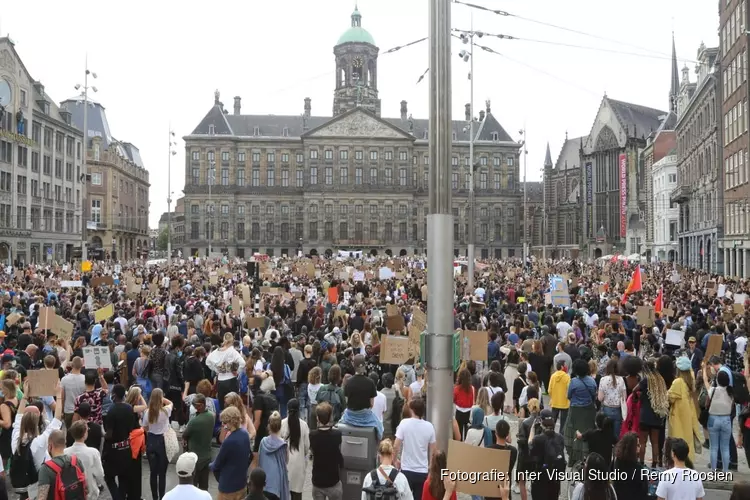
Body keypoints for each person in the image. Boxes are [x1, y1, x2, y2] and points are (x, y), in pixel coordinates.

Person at [394, 398, 436, 500]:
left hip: (407, 469)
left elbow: (396, 445)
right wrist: (430, 467)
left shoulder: (404, 423)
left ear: (412, 409)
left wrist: (395, 460)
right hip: (422, 470)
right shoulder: (429, 426)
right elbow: (433, 451)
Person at [211, 406, 252, 500]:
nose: (224, 425)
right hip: (242, 484)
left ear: (230, 422)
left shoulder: (228, 441)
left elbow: (217, 464)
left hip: (228, 487)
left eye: (225, 423)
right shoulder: (245, 434)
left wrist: (210, 465)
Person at [667, 356, 703, 463]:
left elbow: (670, 397)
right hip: (688, 416)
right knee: (688, 440)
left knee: (677, 441)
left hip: (678, 417)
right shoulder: (690, 381)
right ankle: (689, 463)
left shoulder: (678, 382)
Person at [102, 384, 134, 500]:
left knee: (109, 477)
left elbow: (109, 434)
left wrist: (103, 435)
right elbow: (131, 428)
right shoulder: (129, 408)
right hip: (126, 448)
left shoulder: (112, 411)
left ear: (114, 395)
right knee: (123, 478)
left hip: (113, 450)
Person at [563, 358, 597, 465]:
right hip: (589, 411)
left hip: (575, 411)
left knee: (573, 433)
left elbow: (568, 396)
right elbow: (594, 395)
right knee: (587, 433)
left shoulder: (573, 382)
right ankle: (587, 457)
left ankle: (574, 459)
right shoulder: (592, 381)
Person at [340, 355, 382, 438]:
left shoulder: (348, 382)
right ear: (365, 365)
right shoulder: (370, 382)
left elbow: (347, 401)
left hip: (350, 416)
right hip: (366, 416)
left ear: (353, 365)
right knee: (380, 428)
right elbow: (371, 404)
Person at [37, 430, 87, 500]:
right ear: (64, 444)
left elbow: (42, 497)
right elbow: (85, 487)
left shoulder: (46, 469)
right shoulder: (76, 461)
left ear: (50, 446)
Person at [142, 388, 173, 500]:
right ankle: (162, 497)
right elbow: (171, 403)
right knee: (162, 474)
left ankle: (154, 497)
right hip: (162, 442)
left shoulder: (147, 412)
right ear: (161, 398)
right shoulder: (165, 411)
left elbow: (145, 427)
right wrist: (163, 398)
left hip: (151, 440)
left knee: (153, 472)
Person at [309, 402, 344, 500]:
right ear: (330, 417)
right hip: (333, 480)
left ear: (317, 418)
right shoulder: (337, 434)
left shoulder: (312, 435)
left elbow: (312, 451)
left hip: (318, 481)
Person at [528, 409, 565, 500]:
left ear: (541, 421)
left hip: (540, 479)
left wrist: (532, 429)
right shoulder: (560, 438)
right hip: (555, 480)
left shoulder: (538, 439)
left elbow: (530, 447)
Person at [63, 421, 105, 500]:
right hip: (90, 490)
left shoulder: (65, 452)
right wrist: (99, 484)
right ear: (85, 433)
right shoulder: (93, 452)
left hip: (71, 491)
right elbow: (100, 474)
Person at [182, 393, 214, 491]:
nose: (194, 407)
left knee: (193, 486)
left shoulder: (194, 421)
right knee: (204, 486)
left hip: (194, 458)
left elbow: (185, 434)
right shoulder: (211, 416)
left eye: (196, 405)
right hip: (207, 456)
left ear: (201, 405)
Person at [703, 366, 733, 472]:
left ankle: (713, 471)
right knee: (725, 447)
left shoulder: (713, 390)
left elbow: (706, 382)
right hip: (726, 420)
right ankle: (725, 472)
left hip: (713, 419)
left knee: (714, 447)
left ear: (717, 380)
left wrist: (704, 370)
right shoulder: (731, 392)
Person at [206, 333, 246, 412]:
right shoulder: (232, 351)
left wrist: (217, 370)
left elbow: (208, 362)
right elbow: (243, 363)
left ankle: (224, 422)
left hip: (220, 381)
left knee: (222, 405)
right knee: (234, 405)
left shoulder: (217, 351)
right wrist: (237, 372)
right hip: (231, 380)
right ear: (232, 340)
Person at [281, 399, 310, 500]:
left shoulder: (282, 423)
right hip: (299, 464)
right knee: (297, 494)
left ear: (287, 410)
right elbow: (307, 447)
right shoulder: (304, 425)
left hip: (284, 464)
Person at [258, 411, 290, 500]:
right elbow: (286, 461)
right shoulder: (283, 445)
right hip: (277, 484)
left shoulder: (263, 441)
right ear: (280, 426)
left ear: (269, 425)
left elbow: (259, 458)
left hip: (264, 483)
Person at [611, 432, 649, 500]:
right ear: (632, 448)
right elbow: (644, 491)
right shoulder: (638, 469)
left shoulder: (616, 461)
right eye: (637, 445)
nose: (639, 447)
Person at [598, 358, 626, 440]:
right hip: (618, 410)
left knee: (605, 436)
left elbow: (600, 398)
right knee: (616, 437)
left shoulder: (603, 379)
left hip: (606, 409)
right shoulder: (621, 380)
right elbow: (624, 397)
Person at [60, 356, 86, 430]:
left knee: (69, 433)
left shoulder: (64, 379)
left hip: (68, 410)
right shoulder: (85, 379)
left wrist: (61, 411)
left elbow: (62, 397)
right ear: (81, 366)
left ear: (71, 365)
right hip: (81, 411)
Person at [548, 360, 570, 433]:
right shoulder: (567, 377)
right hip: (565, 403)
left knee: (553, 420)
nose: (566, 367)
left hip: (555, 402)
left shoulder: (553, 376)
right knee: (563, 422)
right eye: (565, 365)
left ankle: (550, 433)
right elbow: (569, 389)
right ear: (562, 367)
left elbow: (549, 390)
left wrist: (553, 397)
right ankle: (561, 436)